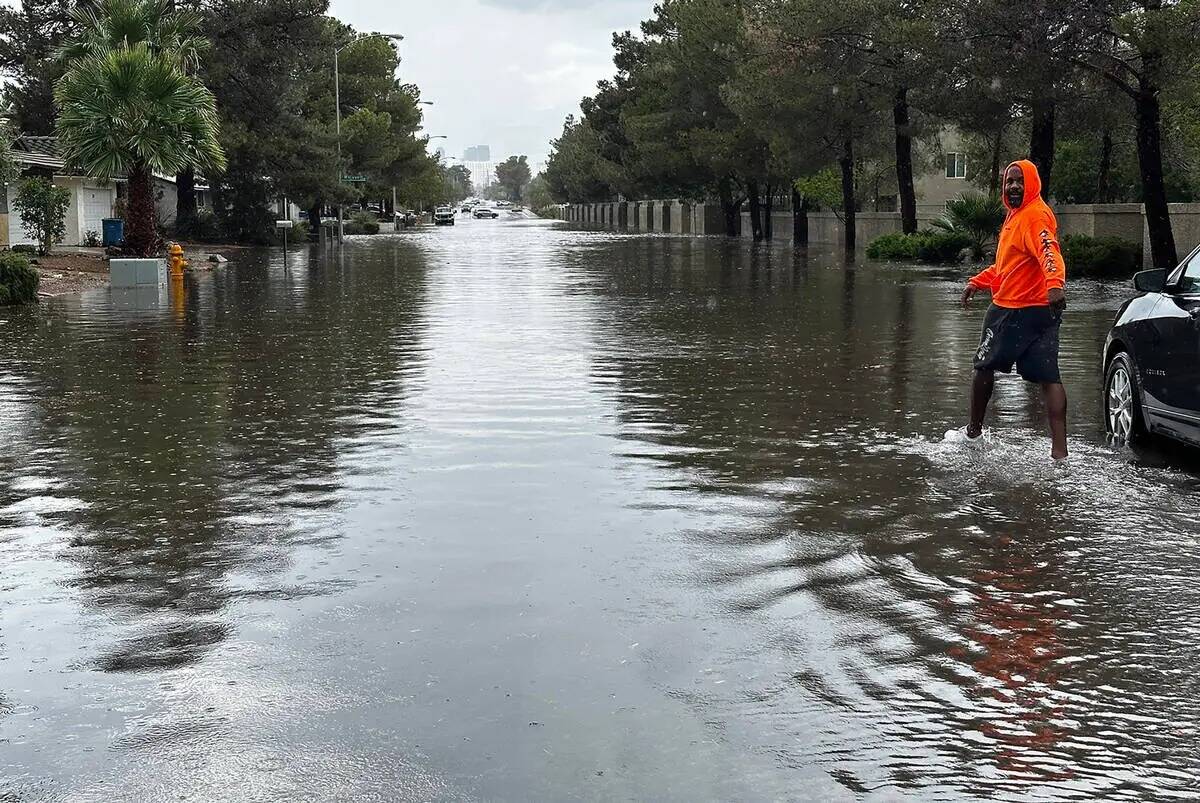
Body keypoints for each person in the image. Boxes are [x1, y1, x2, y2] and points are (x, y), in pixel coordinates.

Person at [960, 160, 1068, 459]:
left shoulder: (1034, 216)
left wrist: (1055, 283)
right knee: (1050, 378)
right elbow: (1008, 265)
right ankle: (1060, 452)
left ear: (1032, 183)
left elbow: (1049, 251)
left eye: (1020, 181)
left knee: (983, 366)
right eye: (1009, 181)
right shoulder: (1016, 216)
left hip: (1014, 308)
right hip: (1042, 311)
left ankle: (973, 434)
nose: (1014, 186)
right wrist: (977, 282)